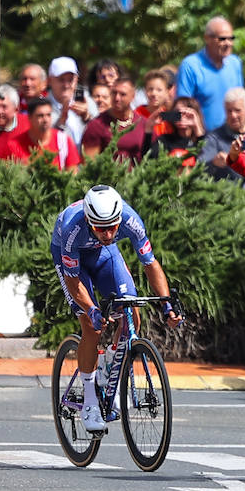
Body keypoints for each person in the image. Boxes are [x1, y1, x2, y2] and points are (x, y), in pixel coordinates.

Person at [51, 186, 180, 433]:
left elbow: (150, 264)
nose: (109, 233)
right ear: (89, 221)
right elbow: (72, 280)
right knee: (91, 326)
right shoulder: (72, 229)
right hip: (71, 259)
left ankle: (109, 365)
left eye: (113, 226)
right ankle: (90, 400)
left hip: (103, 255)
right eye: (101, 228)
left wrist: (167, 304)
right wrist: (92, 310)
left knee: (131, 312)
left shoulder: (130, 220)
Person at [176, 16, 245, 134]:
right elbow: (182, 107)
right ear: (207, 38)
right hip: (203, 139)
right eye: (222, 39)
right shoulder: (191, 65)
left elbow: (241, 101)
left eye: (231, 38)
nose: (228, 43)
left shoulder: (235, 63)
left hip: (232, 138)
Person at [6, 98, 82, 169]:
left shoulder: (63, 141)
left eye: (48, 115)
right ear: (29, 118)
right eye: (40, 116)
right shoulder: (14, 145)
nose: (45, 120)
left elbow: (72, 175)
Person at [197, 87, 245, 181]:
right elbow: (199, 169)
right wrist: (213, 163)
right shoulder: (214, 139)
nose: (233, 115)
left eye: (237, 110)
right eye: (229, 111)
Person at [45, 57, 89, 144]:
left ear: (77, 80)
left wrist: (86, 117)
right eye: (61, 80)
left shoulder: (87, 100)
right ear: (50, 81)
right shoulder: (43, 106)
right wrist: (62, 119)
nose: (66, 85)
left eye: (71, 80)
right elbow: (44, 140)